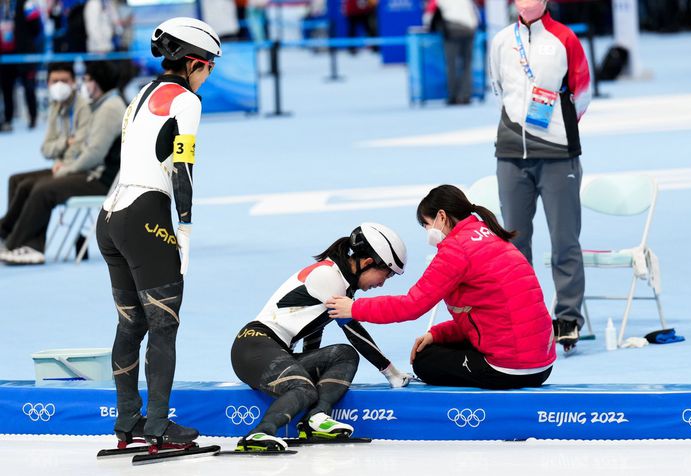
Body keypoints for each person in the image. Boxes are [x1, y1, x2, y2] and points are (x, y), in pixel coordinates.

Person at [95, 17, 221, 449]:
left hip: (110, 216)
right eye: (208, 67)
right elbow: (183, 166)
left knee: (130, 326)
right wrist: (184, 226)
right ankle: (159, 426)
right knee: (163, 325)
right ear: (191, 63)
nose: (208, 76)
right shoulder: (186, 101)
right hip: (146, 216)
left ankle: (126, 423)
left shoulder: (138, 95)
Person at [327, 185, 555, 389]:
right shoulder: (494, 237)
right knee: (435, 346)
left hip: (508, 370)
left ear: (441, 217)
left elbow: (411, 306)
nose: (428, 231)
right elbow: (491, 313)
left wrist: (354, 308)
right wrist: (438, 334)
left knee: (425, 360)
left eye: (426, 224)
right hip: (543, 365)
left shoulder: (455, 251)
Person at [231, 223, 411, 452]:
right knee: (304, 389)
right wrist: (391, 372)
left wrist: (309, 365)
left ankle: (315, 418)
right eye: (385, 275)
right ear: (367, 263)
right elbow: (353, 331)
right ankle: (258, 434)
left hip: (274, 350)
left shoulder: (342, 284)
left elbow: (314, 328)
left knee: (344, 355)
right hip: (252, 346)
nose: (382, 283)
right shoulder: (328, 275)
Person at [488, 0, 591, 352]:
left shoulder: (565, 38)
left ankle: (567, 317)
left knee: (564, 240)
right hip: (511, 153)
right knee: (515, 244)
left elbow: (583, 90)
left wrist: (557, 128)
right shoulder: (501, 40)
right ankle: (525, 316)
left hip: (557, 153)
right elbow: (498, 87)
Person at [0, 61, 124, 265]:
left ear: (96, 82)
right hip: (90, 171)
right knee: (24, 183)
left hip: (101, 179)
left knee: (43, 190)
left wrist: (67, 170)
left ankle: (18, 243)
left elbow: (94, 153)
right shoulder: (102, 104)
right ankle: (19, 241)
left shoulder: (110, 108)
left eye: (87, 79)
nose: (84, 84)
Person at [424, 0, 478, 105]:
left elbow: (428, 17)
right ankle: (465, 96)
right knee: (467, 64)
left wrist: (429, 28)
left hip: (452, 30)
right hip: (469, 30)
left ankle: (453, 96)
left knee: (451, 64)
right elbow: (475, 14)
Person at [0, 0, 42, 131]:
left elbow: (36, 29)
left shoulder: (26, 4)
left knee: (29, 87)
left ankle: (33, 118)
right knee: (6, 89)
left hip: (24, 54)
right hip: (4, 56)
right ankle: (8, 120)